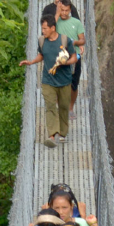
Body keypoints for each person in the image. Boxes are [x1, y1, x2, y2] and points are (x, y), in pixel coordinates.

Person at [18, 16, 75, 146]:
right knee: (50, 106)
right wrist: (31, 61)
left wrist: (66, 62)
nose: (43, 31)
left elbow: (74, 57)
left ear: (53, 28)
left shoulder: (65, 40)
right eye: (42, 28)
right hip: (48, 80)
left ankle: (63, 132)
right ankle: (52, 135)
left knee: (64, 107)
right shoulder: (42, 41)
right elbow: (42, 55)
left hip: (64, 81)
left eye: (45, 28)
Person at [53, 0, 86, 114]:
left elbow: (83, 40)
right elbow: (48, 32)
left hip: (74, 56)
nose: (64, 13)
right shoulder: (55, 22)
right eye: (62, 10)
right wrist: (57, 14)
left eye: (66, 10)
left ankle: (70, 108)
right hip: (58, 57)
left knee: (74, 84)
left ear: (70, 10)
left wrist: (75, 42)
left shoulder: (76, 23)